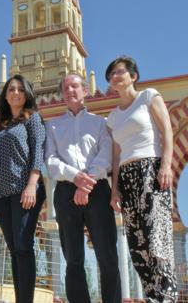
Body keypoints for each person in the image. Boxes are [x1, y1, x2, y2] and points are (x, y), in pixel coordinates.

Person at [45, 74, 122, 303]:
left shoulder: (100, 123)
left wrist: (86, 181)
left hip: (96, 189)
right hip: (66, 191)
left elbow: (106, 155)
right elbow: (50, 161)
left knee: (107, 255)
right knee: (73, 258)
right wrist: (75, 177)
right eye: (66, 87)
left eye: (75, 86)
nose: (70, 90)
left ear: (85, 90)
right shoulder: (53, 125)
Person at [106, 56, 177, 303]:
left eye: (120, 72)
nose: (115, 76)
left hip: (150, 169)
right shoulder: (113, 117)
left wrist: (166, 164)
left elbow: (167, 129)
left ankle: (166, 297)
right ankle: (151, 296)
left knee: (156, 236)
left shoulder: (148, 97)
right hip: (127, 176)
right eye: (112, 74)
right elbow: (115, 156)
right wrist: (114, 190)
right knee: (137, 244)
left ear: (133, 76)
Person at [0, 74, 46, 303]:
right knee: (13, 248)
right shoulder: (1, 125)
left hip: (24, 191)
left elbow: (38, 152)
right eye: (11, 89)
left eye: (21, 89)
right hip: (1, 195)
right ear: (5, 95)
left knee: (23, 245)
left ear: (27, 94)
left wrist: (32, 184)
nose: (16, 93)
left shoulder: (33, 119)